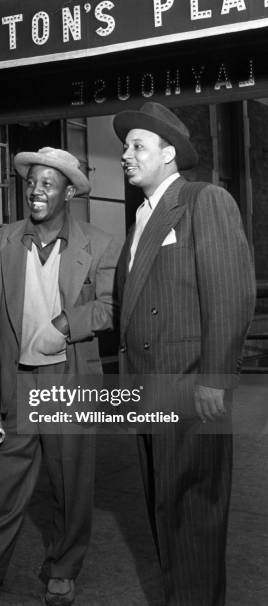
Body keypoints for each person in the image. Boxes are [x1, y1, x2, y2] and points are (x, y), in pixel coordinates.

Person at [0, 147, 121, 606]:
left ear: (69, 192)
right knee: (3, 482)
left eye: (48, 184)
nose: (36, 191)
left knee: (70, 482)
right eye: (32, 182)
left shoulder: (98, 243)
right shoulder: (4, 241)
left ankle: (63, 569)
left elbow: (109, 308)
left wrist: (65, 323)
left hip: (69, 378)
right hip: (16, 380)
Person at [113, 101, 255, 605]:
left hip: (192, 391)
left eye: (137, 146)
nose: (126, 156)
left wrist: (216, 379)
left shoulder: (203, 201)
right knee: (167, 516)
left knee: (193, 520)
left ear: (169, 153)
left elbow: (231, 293)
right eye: (125, 147)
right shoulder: (140, 221)